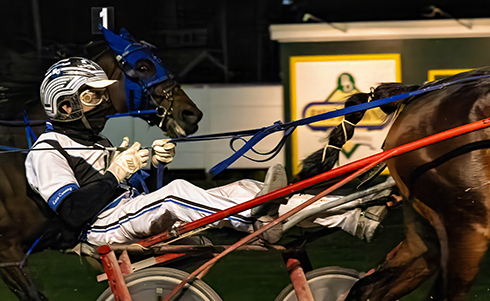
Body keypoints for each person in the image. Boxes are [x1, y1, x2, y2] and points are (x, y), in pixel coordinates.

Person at [25, 57, 386, 248]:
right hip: (101, 229)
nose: (103, 103)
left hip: (126, 214)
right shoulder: (46, 152)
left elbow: (133, 193)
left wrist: (149, 163)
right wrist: (115, 173)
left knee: (244, 186)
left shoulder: (96, 144)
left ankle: (350, 215)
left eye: (104, 95)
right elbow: (73, 212)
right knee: (176, 194)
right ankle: (256, 220)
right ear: (65, 105)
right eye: (92, 97)